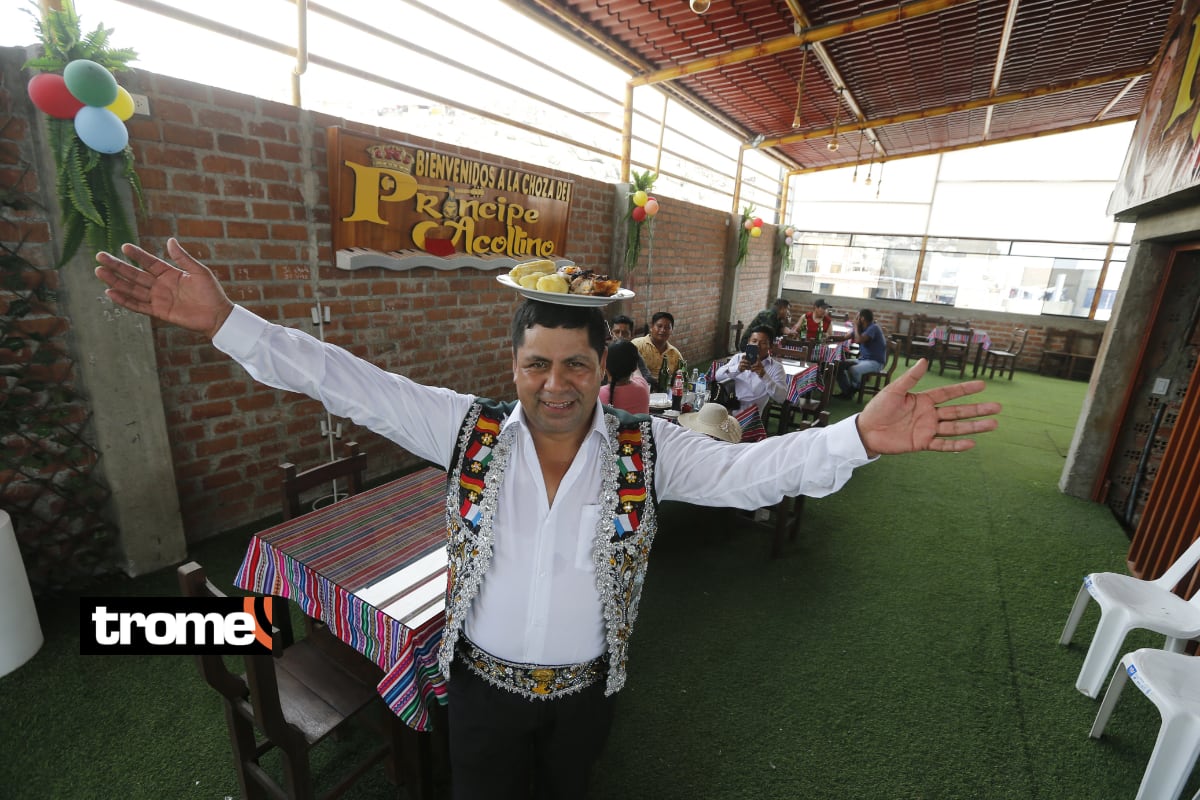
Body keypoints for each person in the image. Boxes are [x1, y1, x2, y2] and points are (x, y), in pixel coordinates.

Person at [95, 239, 1001, 800]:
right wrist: (226, 322)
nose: (554, 385)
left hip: (588, 692)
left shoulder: (650, 448)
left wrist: (858, 441)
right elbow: (345, 380)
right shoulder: (464, 428)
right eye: (536, 365)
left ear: (603, 368)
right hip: (481, 691)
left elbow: (753, 471)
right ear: (514, 362)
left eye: (574, 365)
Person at [713, 325, 787, 417]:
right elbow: (718, 376)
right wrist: (737, 369)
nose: (757, 346)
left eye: (763, 343)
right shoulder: (739, 358)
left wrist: (764, 375)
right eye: (754, 341)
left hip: (751, 416)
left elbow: (781, 398)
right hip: (728, 409)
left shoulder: (776, 368)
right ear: (748, 343)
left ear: (770, 346)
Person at [836, 308, 887, 399]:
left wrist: (855, 326)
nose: (855, 319)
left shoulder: (874, 328)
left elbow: (859, 340)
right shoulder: (861, 328)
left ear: (862, 318)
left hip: (876, 362)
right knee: (838, 365)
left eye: (857, 317)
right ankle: (847, 391)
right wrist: (829, 338)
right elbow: (844, 337)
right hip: (863, 360)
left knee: (854, 370)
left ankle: (855, 388)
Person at [631, 311, 687, 392]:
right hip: (638, 391)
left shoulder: (675, 354)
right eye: (659, 326)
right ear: (651, 327)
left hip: (664, 396)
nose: (663, 330)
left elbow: (682, 377)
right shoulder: (637, 345)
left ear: (672, 330)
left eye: (667, 327)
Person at [599, 340, 651, 415]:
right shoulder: (643, 388)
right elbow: (637, 372)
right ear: (634, 367)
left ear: (605, 366)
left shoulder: (598, 395)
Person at [609, 313, 652, 386]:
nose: (620, 336)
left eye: (625, 333)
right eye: (616, 332)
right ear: (611, 334)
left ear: (631, 335)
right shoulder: (603, 352)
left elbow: (646, 374)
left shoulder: (633, 351)